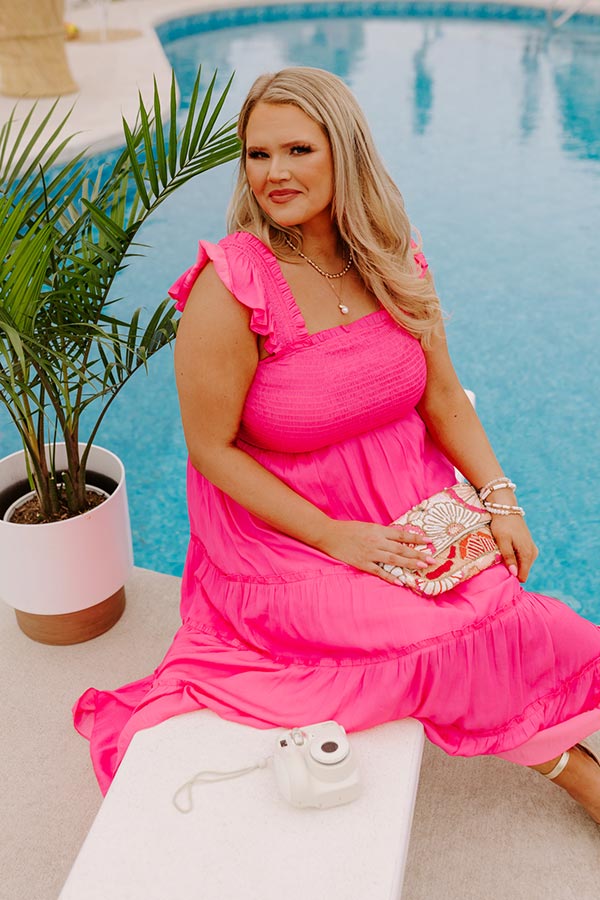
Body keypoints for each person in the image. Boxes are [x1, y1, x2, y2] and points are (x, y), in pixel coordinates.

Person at [74, 67, 600, 821]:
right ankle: (579, 776)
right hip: (283, 535)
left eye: (298, 150)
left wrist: (501, 501)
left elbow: (443, 397)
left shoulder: (392, 255)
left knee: (519, 618)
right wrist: (335, 538)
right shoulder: (233, 285)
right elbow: (210, 450)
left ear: (343, 152)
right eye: (258, 154)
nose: (275, 173)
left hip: (406, 500)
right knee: (441, 635)